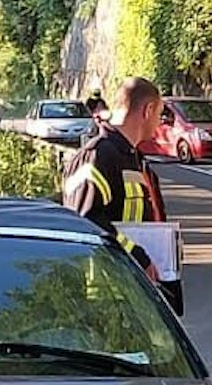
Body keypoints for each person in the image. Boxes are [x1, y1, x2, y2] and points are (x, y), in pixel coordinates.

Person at [60, 76, 167, 283]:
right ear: (148, 110)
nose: (159, 124)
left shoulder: (135, 159)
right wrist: (136, 256)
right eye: (159, 115)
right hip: (105, 293)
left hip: (133, 288)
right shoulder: (97, 157)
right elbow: (84, 221)